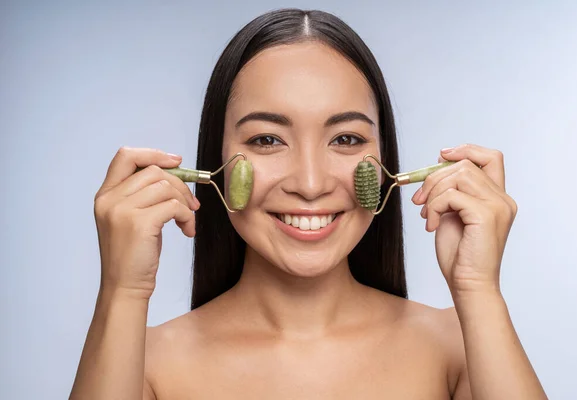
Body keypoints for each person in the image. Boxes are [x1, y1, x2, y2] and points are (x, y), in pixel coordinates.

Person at [70, 8, 547, 400]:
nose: (312, 183)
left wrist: (478, 291)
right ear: (213, 161)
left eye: (344, 137)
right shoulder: (144, 364)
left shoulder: (458, 348)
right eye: (266, 139)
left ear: (386, 164)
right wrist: (123, 291)